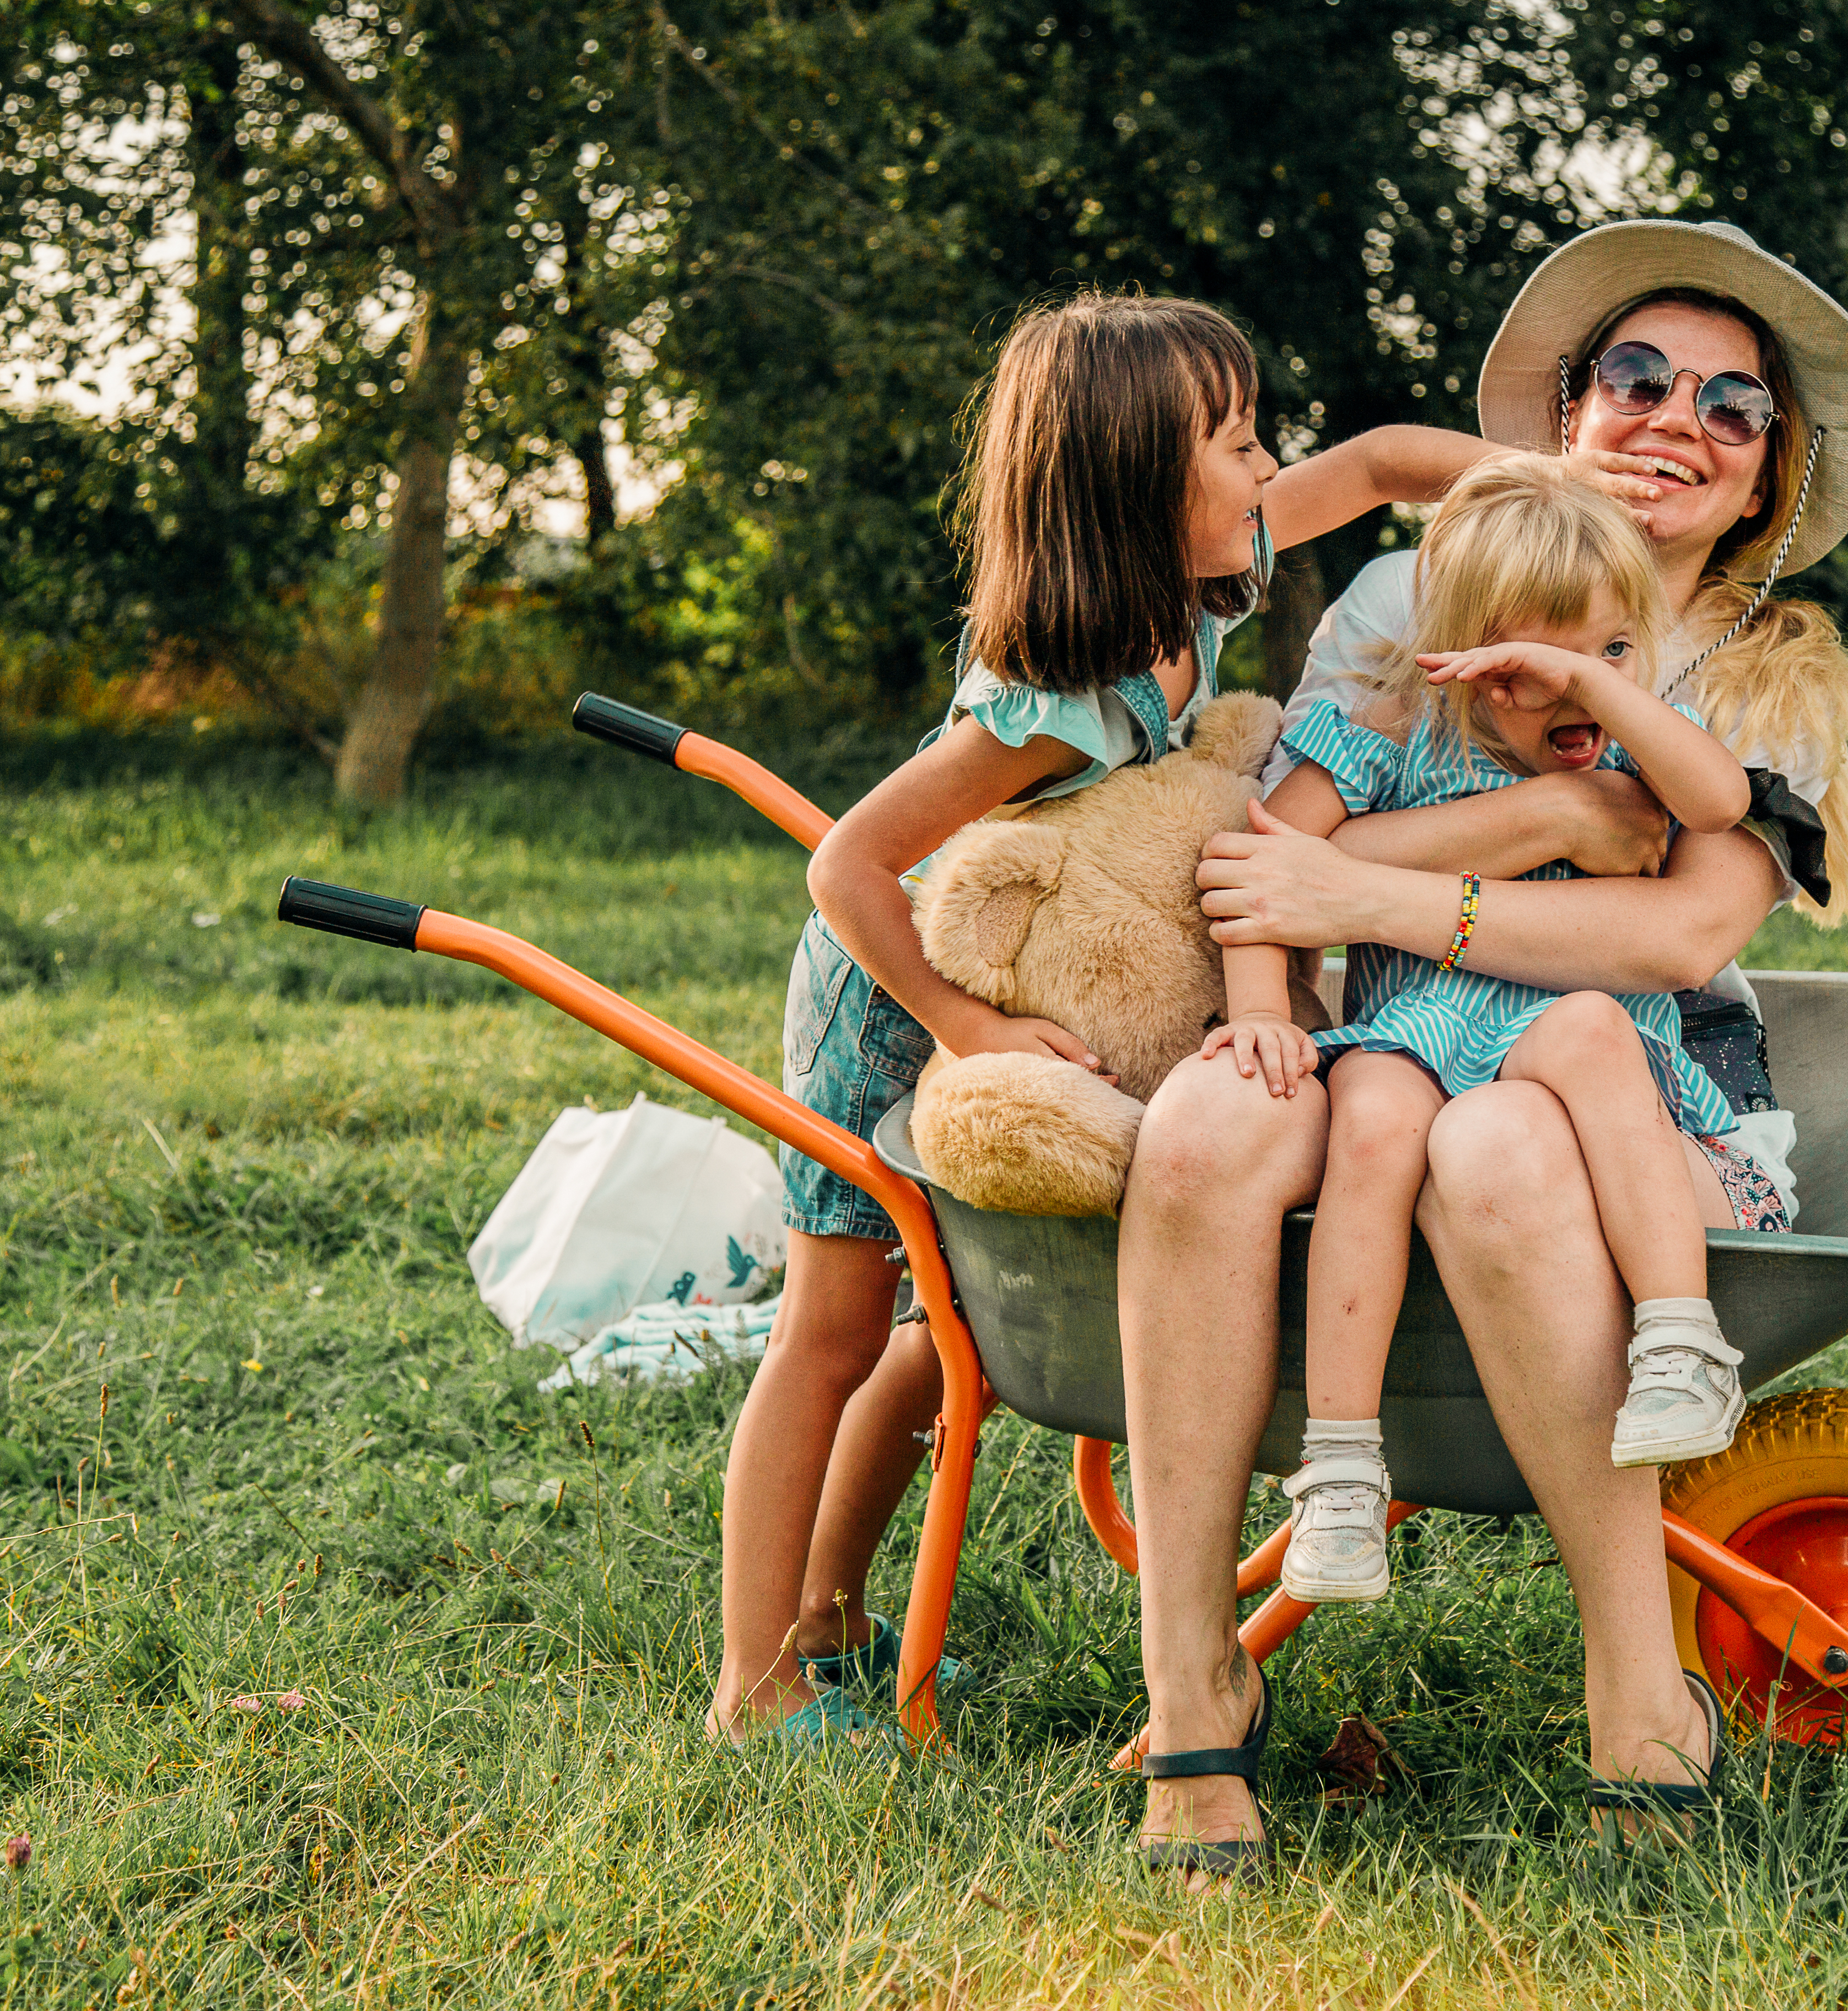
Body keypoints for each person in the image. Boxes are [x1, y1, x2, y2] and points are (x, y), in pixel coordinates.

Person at [708, 289, 1656, 1748]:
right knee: (836, 1324)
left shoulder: (1221, 566)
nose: (1273, 463)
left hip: (1032, 961)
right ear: (1133, 492)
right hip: (898, 982)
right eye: (1235, 441)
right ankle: (753, 1677)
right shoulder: (1047, 703)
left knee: (935, 1327)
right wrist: (963, 1024)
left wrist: (1554, 484)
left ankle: (832, 1626)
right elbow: (850, 865)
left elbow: (1399, 459)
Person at [1121, 221, 1848, 1879]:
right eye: (1639, 376)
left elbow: (1674, 935)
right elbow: (1280, 850)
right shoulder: (1421, 599)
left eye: (1734, 406)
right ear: (1566, 409)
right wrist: (1543, 817)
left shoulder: (1773, 684)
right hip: (1383, 1046)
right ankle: (1192, 1680)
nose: (1678, 418)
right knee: (1205, 1130)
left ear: (1765, 479)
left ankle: (1641, 1683)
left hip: (1631, 1083)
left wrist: (1374, 887)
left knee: (1501, 1141)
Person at [1208, 457, 1772, 1608]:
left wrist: (1605, 684)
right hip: (1413, 1029)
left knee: (1590, 1038)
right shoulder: (1384, 731)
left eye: (1613, 653)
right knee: (1368, 1125)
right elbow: (1260, 860)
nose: (1572, 698)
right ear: (1460, 654)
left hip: (1569, 1019)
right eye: (1530, 673)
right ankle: (1344, 1469)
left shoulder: (1625, 737)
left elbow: (1718, 804)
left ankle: (1680, 1341)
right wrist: (1263, 1008)